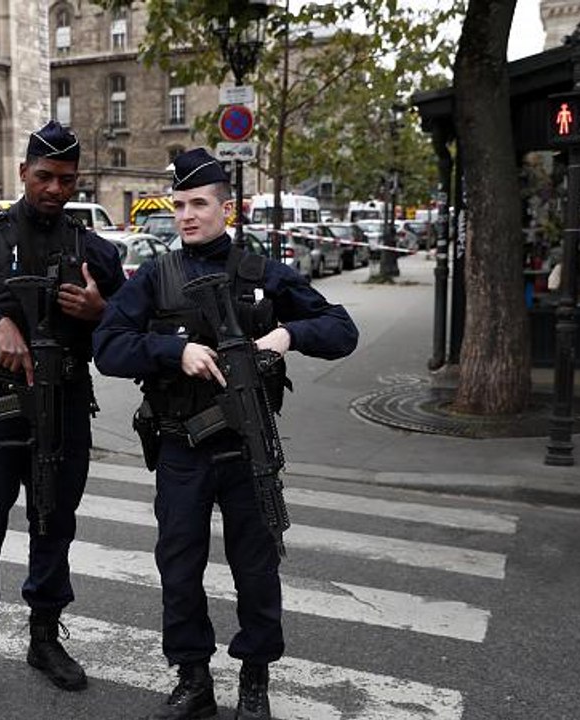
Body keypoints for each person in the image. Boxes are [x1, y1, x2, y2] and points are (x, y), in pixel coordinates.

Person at [93, 148, 358, 720]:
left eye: (199, 204)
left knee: (256, 569)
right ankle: (193, 680)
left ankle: (254, 681)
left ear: (226, 208)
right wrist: (174, 351)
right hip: (181, 446)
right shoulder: (156, 277)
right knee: (179, 567)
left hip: (247, 451)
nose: (187, 216)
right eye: (179, 205)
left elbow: (342, 329)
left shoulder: (264, 275)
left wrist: (286, 336)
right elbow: (107, 347)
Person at [0, 120, 125, 715]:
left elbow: (134, 326)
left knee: (54, 526)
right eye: (44, 177)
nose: (55, 189)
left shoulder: (94, 250)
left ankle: (43, 640)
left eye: (66, 179)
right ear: (22, 173)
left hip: (63, 405)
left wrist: (100, 308)